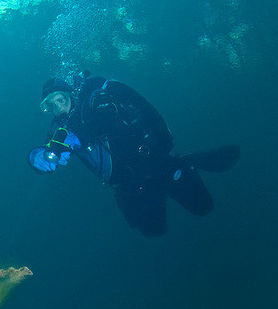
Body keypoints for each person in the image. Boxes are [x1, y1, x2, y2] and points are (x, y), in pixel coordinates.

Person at [29, 72, 240, 237]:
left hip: (155, 165)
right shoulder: (60, 127)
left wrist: (76, 138)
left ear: (70, 95)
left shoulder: (95, 99)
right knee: (153, 231)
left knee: (204, 207)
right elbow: (49, 148)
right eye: (51, 105)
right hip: (130, 185)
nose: (58, 107)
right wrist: (36, 157)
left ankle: (187, 162)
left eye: (60, 100)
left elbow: (106, 117)